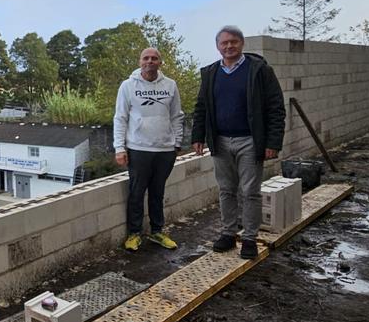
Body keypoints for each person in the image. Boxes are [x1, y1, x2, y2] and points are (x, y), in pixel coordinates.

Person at [191, 26, 286, 259]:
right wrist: (197, 136)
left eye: (233, 42)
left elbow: (276, 107)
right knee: (226, 190)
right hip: (220, 141)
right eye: (224, 43)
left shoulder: (259, 70)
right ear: (218, 47)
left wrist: (273, 142)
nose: (229, 46)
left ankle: (250, 238)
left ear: (242, 44)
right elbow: (201, 107)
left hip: (250, 141)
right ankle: (228, 233)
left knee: (250, 191)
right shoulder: (211, 73)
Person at [114, 48, 185, 251]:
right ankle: (134, 234)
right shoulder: (128, 86)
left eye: (154, 58)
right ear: (140, 62)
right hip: (138, 148)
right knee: (136, 193)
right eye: (146, 58)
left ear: (160, 63)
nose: (150, 61)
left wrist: (176, 142)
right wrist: (120, 148)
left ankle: (157, 232)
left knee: (157, 192)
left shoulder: (170, 85)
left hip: (165, 149)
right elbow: (120, 118)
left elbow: (176, 116)